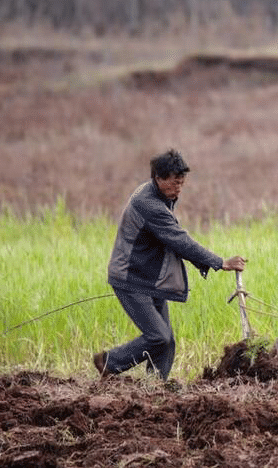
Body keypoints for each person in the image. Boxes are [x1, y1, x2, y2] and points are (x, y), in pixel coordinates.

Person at [93, 149, 248, 381]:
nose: (179, 189)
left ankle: (154, 385)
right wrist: (220, 263)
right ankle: (109, 362)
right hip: (130, 278)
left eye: (182, 183)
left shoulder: (160, 195)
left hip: (149, 276)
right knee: (159, 337)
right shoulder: (149, 204)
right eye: (175, 183)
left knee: (167, 342)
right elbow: (180, 241)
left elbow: (174, 241)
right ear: (158, 178)